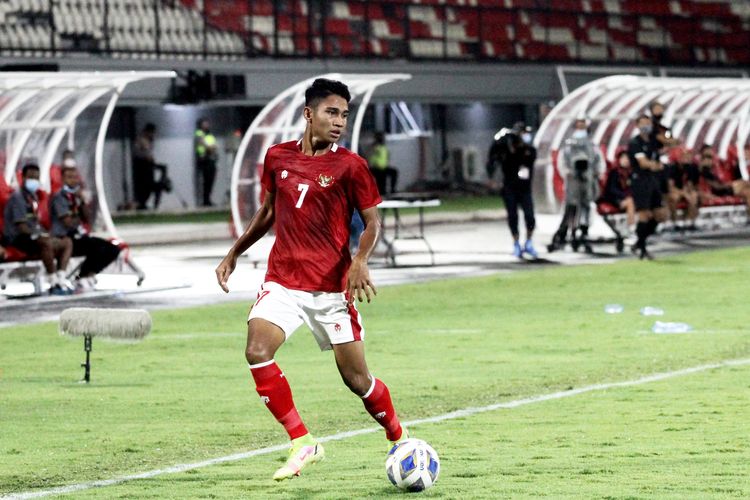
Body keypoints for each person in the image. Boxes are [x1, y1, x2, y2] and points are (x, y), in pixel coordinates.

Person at [214, 78, 407, 481]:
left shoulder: (350, 166)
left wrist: (360, 260)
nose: (339, 122)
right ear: (309, 114)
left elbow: (373, 222)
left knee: (357, 380)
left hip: (332, 289)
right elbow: (268, 211)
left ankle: (397, 434)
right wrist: (234, 252)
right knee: (257, 349)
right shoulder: (277, 157)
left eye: (344, 115)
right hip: (283, 279)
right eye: (331, 112)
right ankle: (302, 440)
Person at [3, 163, 73, 294]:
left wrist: (45, 234)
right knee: (45, 243)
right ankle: (52, 281)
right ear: (23, 178)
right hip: (16, 238)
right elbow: (22, 227)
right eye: (31, 177)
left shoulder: (33, 197)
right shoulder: (17, 198)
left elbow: (35, 223)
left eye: (36, 178)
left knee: (66, 242)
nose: (34, 181)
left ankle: (61, 277)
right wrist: (42, 236)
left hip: (32, 236)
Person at [49, 164, 121, 291]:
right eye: (69, 177)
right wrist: (78, 216)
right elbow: (68, 222)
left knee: (112, 249)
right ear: (63, 179)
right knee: (96, 248)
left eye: (75, 177)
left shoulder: (76, 197)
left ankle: (87, 274)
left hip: (79, 236)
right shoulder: (59, 197)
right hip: (65, 238)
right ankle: (82, 277)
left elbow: (87, 219)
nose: (73, 181)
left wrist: (81, 202)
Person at [549, 118, 601, 253]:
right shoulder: (568, 145)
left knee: (586, 207)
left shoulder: (592, 145)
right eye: (578, 127)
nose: (581, 130)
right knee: (571, 207)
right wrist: (568, 173)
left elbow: (599, 162)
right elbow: (562, 163)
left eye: (583, 127)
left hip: (587, 180)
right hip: (573, 181)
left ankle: (584, 232)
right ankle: (564, 232)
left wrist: (596, 173)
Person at [487, 122, 538, 258]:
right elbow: (493, 158)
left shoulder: (529, 150)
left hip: (524, 188)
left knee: (530, 216)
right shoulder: (506, 151)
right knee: (513, 216)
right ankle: (516, 243)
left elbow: (529, 159)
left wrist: (520, 147)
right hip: (510, 187)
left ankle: (528, 242)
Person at [628, 114, 668, 260]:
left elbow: (670, 143)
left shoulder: (653, 142)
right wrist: (655, 165)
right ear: (637, 126)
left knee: (661, 214)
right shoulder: (635, 143)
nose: (646, 126)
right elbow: (643, 163)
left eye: (648, 123)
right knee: (644, 215)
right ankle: (642, 249)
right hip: (640, 181)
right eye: (643, 123)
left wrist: (663, 133)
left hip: (652, 180)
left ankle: (638, 242)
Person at [698, 145, 750, 217]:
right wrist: (729, 184)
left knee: (748, 192)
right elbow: (717, 186)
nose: (710, 160)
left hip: (726, 189)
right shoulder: (704, 171)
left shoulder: (713, 168)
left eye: (711, 157)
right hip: (720, 192)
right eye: (707, 157)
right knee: (744, 183)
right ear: (702, 159)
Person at [666, 148, 699, 231]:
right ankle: (675, 222)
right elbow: (670, 187)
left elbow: (690, 184)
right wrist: (683, 193)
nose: (688, 158)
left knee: (694, 196)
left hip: (684, 190)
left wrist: (687, 192)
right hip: (674, 190)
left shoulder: (691, 167)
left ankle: (689, 221)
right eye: (685, 156)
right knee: (674, 197)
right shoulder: (672, 168)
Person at [600, 151, 635, 228]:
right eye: (624, 158)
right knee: (630, 202)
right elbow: (611, 189)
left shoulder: (631, 173)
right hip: (614, 199)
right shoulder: (614, 172)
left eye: (628, 158)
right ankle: (631, 227)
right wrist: (625, 195)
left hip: (626, 197)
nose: (626, 160)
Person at [132, 123, 157, 210]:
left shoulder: (151, 140)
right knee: (143, 185)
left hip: (148, 165)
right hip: (141, 165)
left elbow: (150, 152)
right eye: (151, 132)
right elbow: (136, 153)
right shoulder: (140, 139)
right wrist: (145, 156)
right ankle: (141, 203)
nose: (152, 134)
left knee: (150, 185)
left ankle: (144, 203)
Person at [194, 118, 218, 207]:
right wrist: (210, 148)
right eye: (205, 123)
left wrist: (211, 148)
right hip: (205, 160)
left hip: (211, 160)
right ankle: (205, 201)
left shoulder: (209, 135)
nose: (207, 125)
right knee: (206, 181)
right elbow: (206, 146)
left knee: (210, 181)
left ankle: (208, 200)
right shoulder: (199, 133)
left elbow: (215, 147)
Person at [367, 132, 398, 196]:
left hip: (383, 167)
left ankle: (392, 190)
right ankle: (381, 191)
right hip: (375, 167)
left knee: (394, 172)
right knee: (380, 175)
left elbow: (386, 157)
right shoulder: (374, 147)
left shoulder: (383, 147)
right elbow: (370, 157)